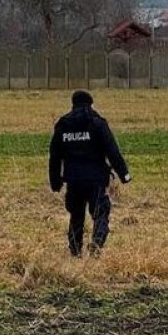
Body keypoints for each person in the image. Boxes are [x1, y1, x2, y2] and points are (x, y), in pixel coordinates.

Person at [49, 90, 131, 256]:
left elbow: (55, 156)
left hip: (73, 180)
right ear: (90, 103)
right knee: (101, 213)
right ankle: (97, 242)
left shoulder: (63, 125)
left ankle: (75, 252)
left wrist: (55, 181)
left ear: (73, 104)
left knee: (76, 216)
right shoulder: (97, 123)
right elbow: (112, 150)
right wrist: (124, 175)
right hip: (96, 179)